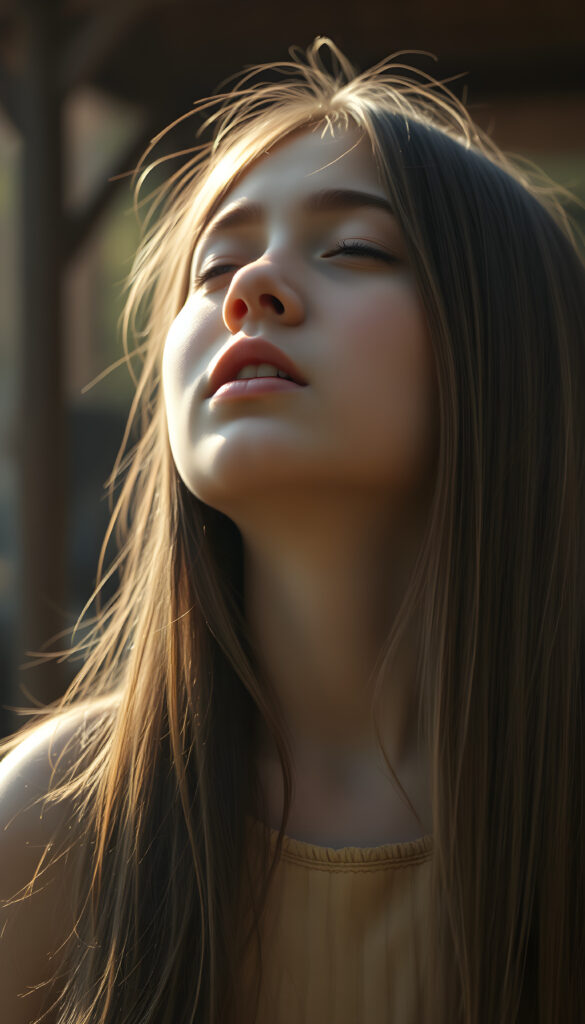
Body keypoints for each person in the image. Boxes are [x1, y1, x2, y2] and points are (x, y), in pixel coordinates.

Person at [1, 36, 584, 1024]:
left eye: (354, 247)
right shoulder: (54, 825)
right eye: (215, 262)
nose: (249, 290)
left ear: (510, 351)